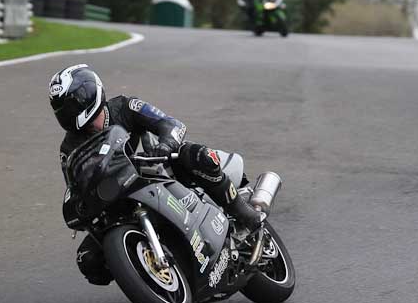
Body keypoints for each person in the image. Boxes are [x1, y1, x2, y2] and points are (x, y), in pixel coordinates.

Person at [49, 64, 263, 285]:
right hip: (119, 196)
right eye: (62, 109)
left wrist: (165, 145)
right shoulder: (69, 149)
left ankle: (244, 213)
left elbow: (172, 125)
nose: (67, 113)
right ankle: (144, 267)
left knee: (197, 155)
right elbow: (78, 187)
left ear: (90, 95)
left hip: (157, 168)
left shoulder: (124, 106)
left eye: (72, 105)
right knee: (88, 261)